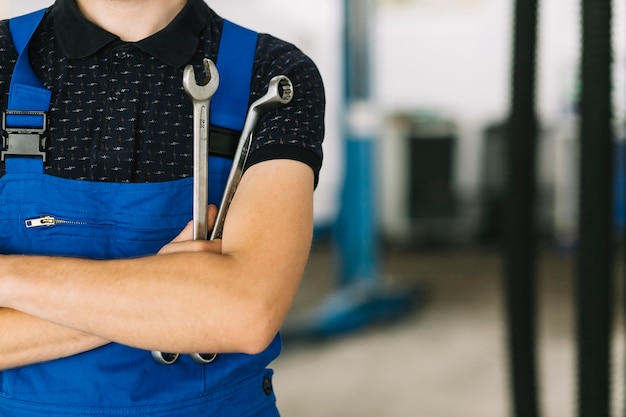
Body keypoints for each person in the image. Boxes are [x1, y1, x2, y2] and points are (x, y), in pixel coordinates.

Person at [0, 0, 325, 416]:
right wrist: (172, 301)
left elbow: (246, 314)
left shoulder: (274, 75)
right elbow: (218, 311)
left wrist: (8, 277)